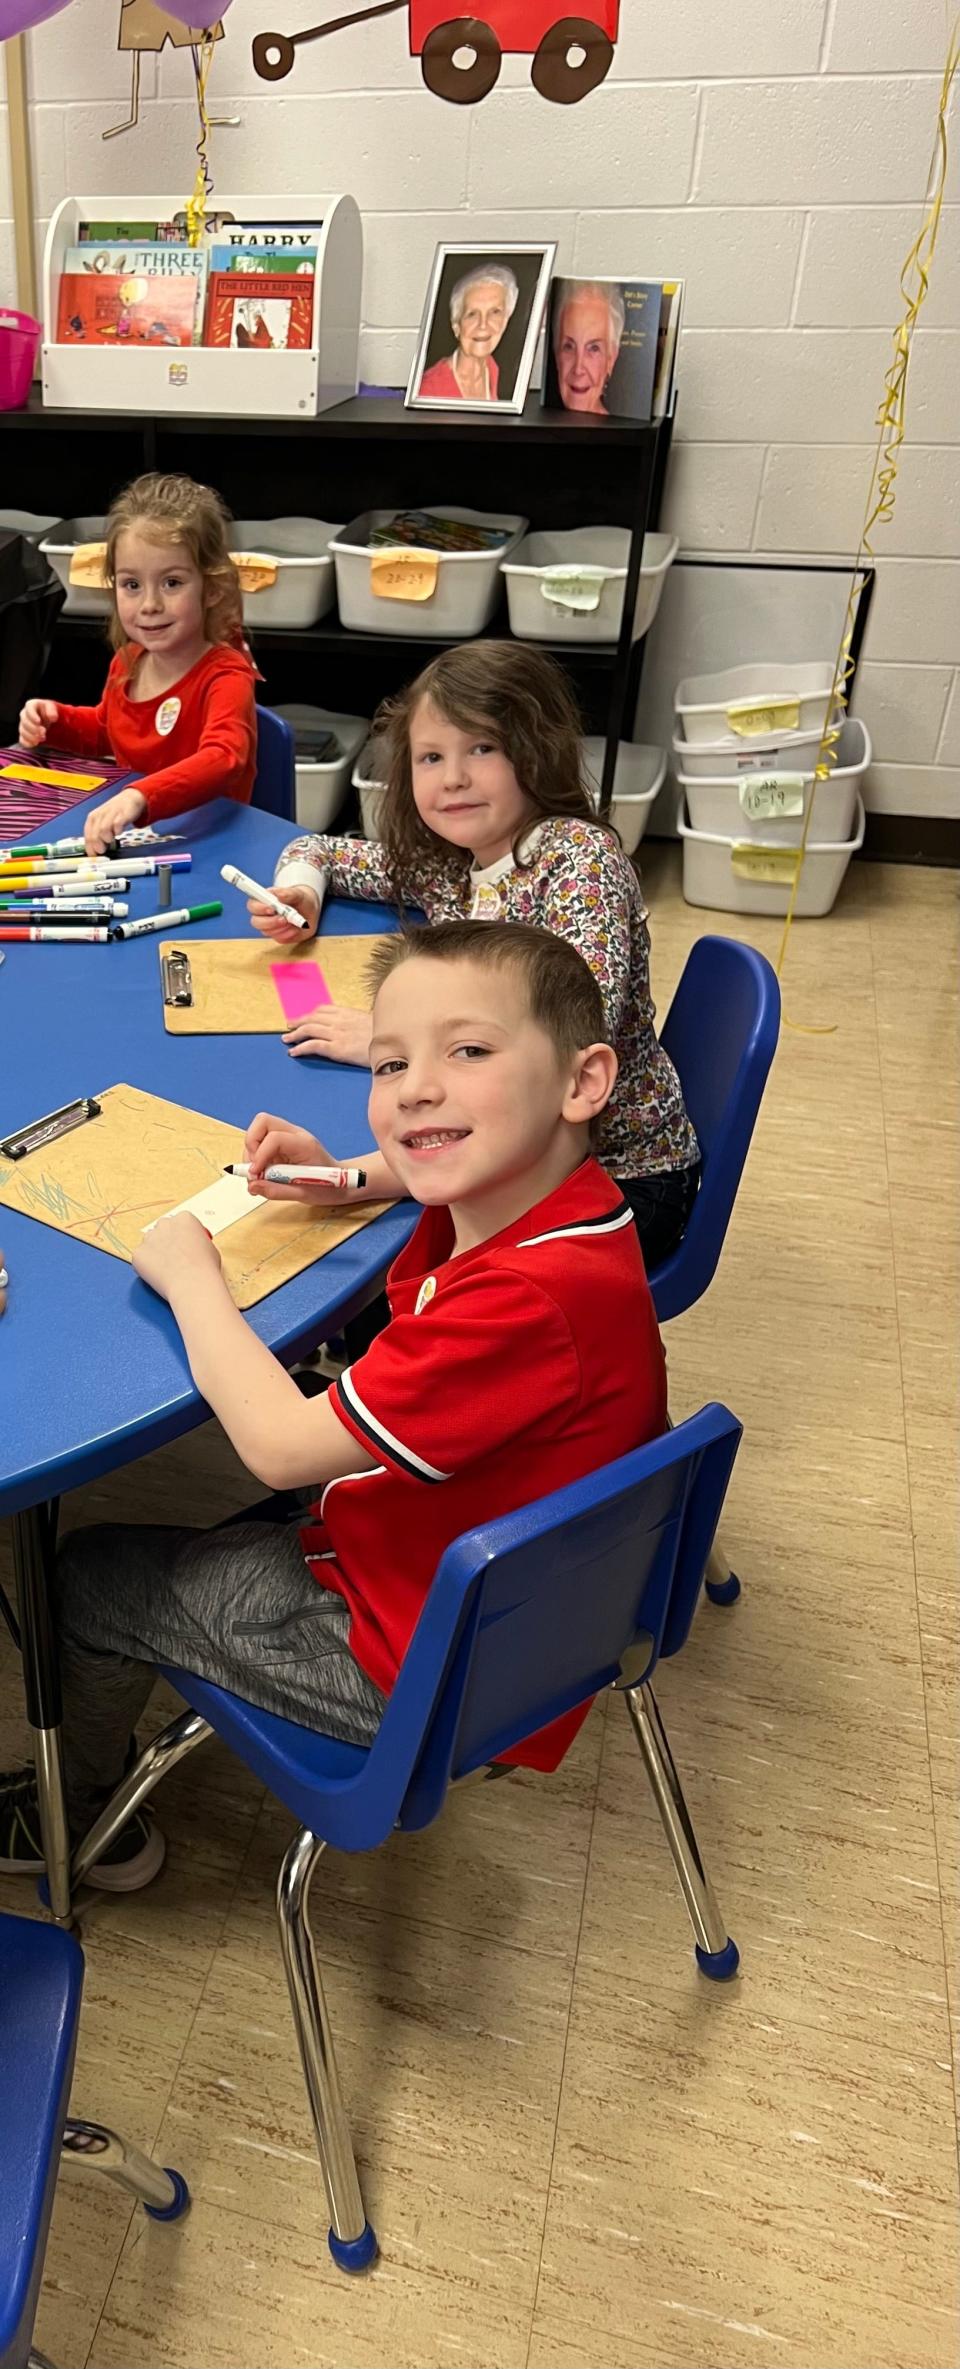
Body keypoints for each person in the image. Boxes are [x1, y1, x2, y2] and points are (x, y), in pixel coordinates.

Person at [0, 922, 667, 1887]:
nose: (415, 1089)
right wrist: (338, 1175)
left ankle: (83, 1820)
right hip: (495, 1596)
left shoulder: (521, 1305)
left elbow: (275, 1447)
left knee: (91, 1576)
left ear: (583, 1081)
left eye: (467, 1051)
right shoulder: (554, 1201)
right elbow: (426, 1158)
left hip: (415, 1663)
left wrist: (194, 1279)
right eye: (391, 1063)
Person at [250, 641, 700, 1268]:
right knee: (369, 1260)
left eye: (481, 749)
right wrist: (302, 887)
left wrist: (388, 1043)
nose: (453, 777)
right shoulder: (455, 864)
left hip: (613, 1179)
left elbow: (553, 1055)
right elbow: (321, 851)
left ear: (535, 751)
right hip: (499, 1149)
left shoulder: (578, 861)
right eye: (431, 756)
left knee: (396, 1283)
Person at [18, 472, 258, 857]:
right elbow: (106, 731)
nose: (149, 605)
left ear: (211, 588)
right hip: (140, 841)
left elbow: (224, 758)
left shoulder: (225, 675)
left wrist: (139, 796)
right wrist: (55, 722)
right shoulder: (128, 660)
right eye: (132, 585)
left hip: (213, 846)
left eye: (172, 583)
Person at [418, 264, 519, 404]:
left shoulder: (492, 368)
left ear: (506, 320)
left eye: (495, 312)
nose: (483, 325)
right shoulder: (428, 390)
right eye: (472, 314)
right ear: (456, 326)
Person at [552, 279, 625, 416]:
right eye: (568, 347)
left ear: (611, 359)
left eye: (594, 348)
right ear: (557, 355)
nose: (578, 369)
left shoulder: (628, 436)